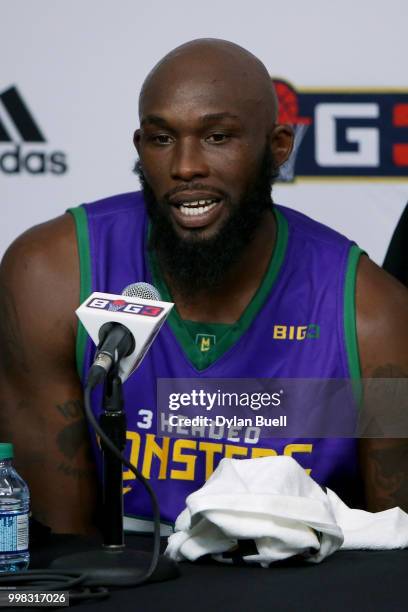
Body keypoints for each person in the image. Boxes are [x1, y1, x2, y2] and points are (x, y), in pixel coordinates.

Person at [0, 39, 407, 535]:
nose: (185, 166)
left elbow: (393, 549)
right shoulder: (49, 274)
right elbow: (59, 551)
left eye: (217, 137)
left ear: (278, 147)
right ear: (140, 146)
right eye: (162, 138)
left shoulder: (374, 313)